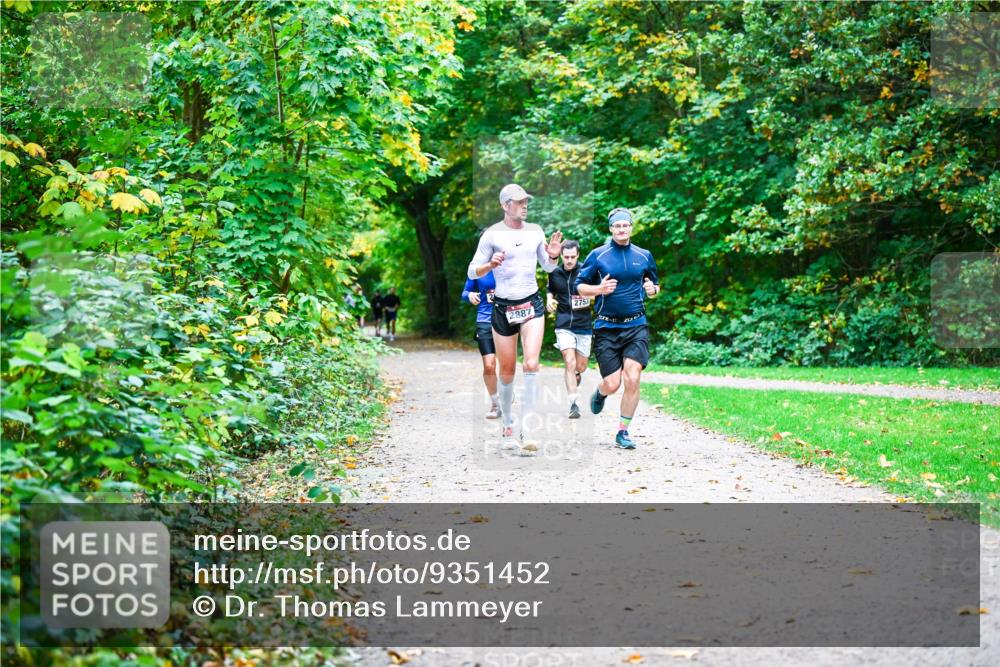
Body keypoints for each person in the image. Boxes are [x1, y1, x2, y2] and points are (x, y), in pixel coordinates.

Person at [467, 183, 563, 446]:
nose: (524, 206)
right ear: (505, 205)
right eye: (519, 202)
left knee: (531, 364)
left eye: (526, 202)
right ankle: (508, 421)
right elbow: (472, 271)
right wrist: (490, 264)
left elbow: (548, 266)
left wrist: (553, 256)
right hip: (502, 306)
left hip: (531, 303)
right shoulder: (492, 235)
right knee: (507, 371)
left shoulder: (535, 232)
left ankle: (528, 428)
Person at [574, 208, 660, 450]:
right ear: (611, 229)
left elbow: (654, 285)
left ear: (631, 227)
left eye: (626, 225)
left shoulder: (644, 256)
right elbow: (580, 287)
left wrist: (653, 290)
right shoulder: (598, 255)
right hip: (606, 327)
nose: (622, 229)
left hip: (636, 325)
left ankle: (623, 431)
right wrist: (599, 289)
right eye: (617, 226)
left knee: (632, 377)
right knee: (613, 383)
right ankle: (601, 393)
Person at [546, 239, 592, 419]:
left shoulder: (587, 271)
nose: (569, 260)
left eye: (573, 257)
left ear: (578, 255)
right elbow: (550, 289)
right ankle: (574, 403)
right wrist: (550, 299)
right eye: (566, 257)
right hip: (563, 324)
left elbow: (597, 289)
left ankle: (576, 375)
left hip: (584, 324)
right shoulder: (555, 272)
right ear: (562, 256)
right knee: (569, 362)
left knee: (580, 366)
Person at [462, 270, 501, 419]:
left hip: (507, 319)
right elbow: (465, 292)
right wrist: (470, 295)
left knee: (506, 364)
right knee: (489, 365)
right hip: (484, 320)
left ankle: (506, 389)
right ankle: (495, 402)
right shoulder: (477, 268)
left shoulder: (510, 262)